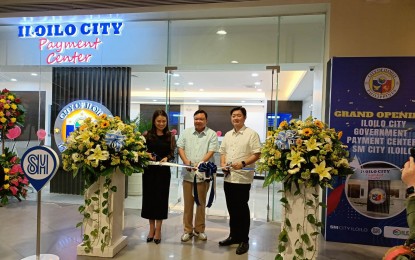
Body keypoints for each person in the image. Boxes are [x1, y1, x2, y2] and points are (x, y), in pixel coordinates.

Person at [218, 106, 261, 255]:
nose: (236, 118)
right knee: (232, 208)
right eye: (233, 116)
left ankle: (244, 240)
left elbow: (257, 154)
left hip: (242, 178)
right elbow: (222, 152)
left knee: (242, 209)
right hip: (228, 177)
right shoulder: (228, 135)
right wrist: (223, 164)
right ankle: (233, 236)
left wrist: (243, 163)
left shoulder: (251, 134)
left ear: (244, 118)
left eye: (239, 116)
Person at [177, 109, 219, 242]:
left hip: (203, 175)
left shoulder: (211, 134)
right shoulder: (186, 132)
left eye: (201, 119)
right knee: (188, 205)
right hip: (188, 175)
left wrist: (201, 164)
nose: (198, 121)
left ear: (206, 121)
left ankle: (199, 230)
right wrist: (186, 162)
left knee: (200, 204)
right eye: (196, 119)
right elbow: (180, 147)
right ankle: (187, 230)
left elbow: (211, 151)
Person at [141, 109, 176, 244]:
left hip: (163, 172)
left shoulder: (170, 136)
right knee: (149, 200)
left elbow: (173, 153)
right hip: (149, 171)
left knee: (161, 200)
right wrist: (146, 155)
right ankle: (151, 229)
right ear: (154, 121)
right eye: (158, 121)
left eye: (163, 121)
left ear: (166, 122)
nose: (161, 123)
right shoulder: (147, 135)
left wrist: (167, 158)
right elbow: (140, 151)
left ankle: (159, 230)